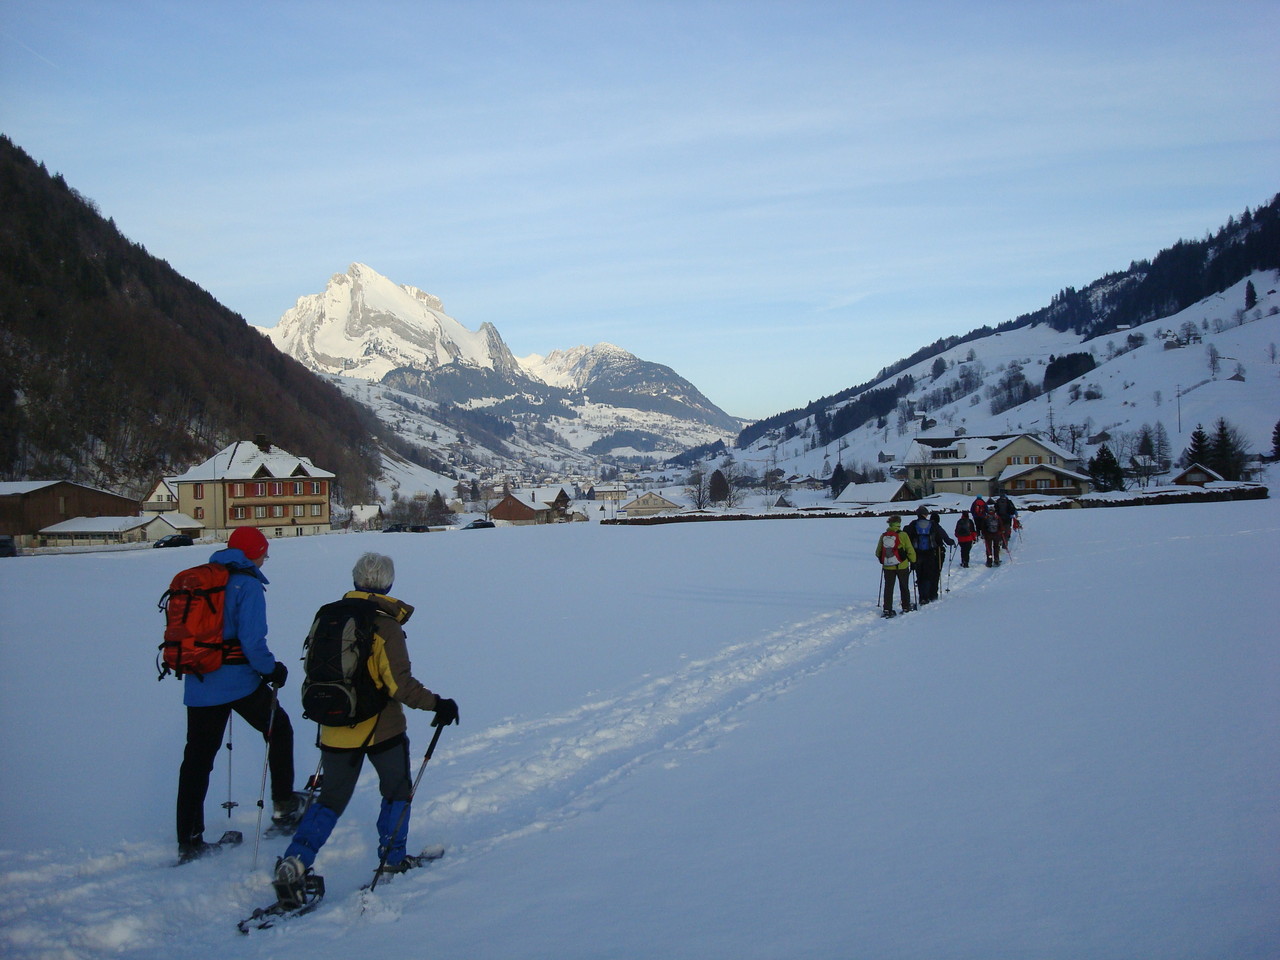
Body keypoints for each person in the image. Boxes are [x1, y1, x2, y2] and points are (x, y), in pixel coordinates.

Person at [276, 552, 459, 902]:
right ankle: (391, 860)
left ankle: (296, 861)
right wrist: (439, 704)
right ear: (388, 584)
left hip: (333, 724)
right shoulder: (384, 625)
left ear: (356, 580)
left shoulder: (328, 615)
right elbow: (399, 685)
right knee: (396, 792)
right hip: (381, 728)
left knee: (329, 799)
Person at [175, 526, 297, 863]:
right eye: (264, 553)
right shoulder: (248, 584)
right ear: (254, 553)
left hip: (199, 681)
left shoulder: (203, 580)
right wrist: (272, 670)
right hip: (239, 681)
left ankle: (189, 839)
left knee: (197, 762)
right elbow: (252, 641)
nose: (265, 559)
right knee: (279, 728)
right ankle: (284, 806)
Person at [875, 515, 917, 618]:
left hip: (888, 567)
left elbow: (877, 552)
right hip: (902, 565)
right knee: (904, 586)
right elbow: (909, 549)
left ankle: (887, 609)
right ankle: (906, 606)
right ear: (899, 523)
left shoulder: (884, 535)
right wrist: (913, 561)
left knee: (888, 588)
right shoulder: (903, 535)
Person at [905, 506, 947, 604]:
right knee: (928, 575)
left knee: (919, 576)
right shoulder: (932, 524)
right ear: (925, 514)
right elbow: (939, 537)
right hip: (930, 553)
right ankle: (928, 596)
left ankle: (922, 597)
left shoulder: (913, 524)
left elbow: (908, 538)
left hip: (917, 553)